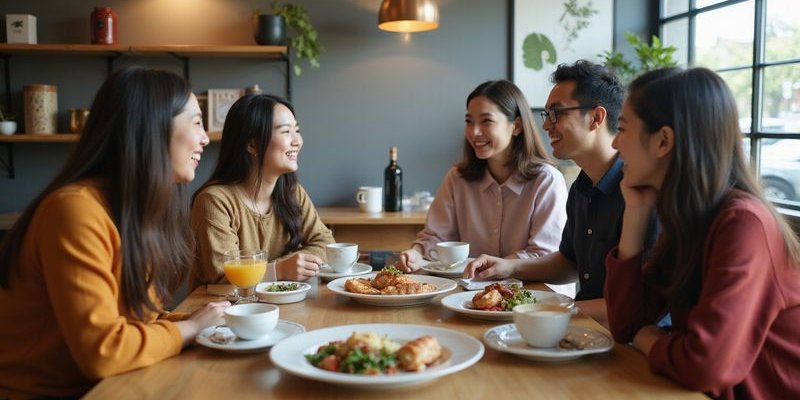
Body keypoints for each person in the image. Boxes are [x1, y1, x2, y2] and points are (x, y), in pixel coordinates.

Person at [0, 67, 229, 398]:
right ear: (152, 128)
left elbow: (138, 320)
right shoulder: (74, 210)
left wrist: (201, 321)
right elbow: (103, 352)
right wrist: (191, 328)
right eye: (196, 122)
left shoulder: (131, 211)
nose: (205, 137)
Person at [606, 67, 800, 398]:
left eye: (622, 128)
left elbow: (706, 366)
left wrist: (650, 339)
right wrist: (635, 215)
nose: (614, 142)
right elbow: (626, 324)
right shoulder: (691, 217)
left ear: (663, 140)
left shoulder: (743, 223)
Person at [463, 61, 656, 324]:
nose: (546, 126)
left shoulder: (641, 192)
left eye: (557, 114)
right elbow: (570, 262)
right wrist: (509, 266)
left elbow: (646, 304)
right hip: (588, 329)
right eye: (547, 115)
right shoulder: (582, 186)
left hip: (630, 340)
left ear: (596, 118)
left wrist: (554, 311)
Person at [396, 80, 567, 272]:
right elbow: (436, 237)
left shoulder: (547, 181)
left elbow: (545, 255)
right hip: (472, 295)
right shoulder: (456, 179)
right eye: (469, 121)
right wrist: (416, 253)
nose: (474, 132)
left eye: (487, 121)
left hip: (536, 293)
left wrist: (499, 267)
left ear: (517, 126)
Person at [191, 94, 333, 287]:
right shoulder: (214, 201)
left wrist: (296, 264)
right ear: (251, 145)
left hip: (280, 305)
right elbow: (222, 278)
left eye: (296, 130)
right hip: (227, 313)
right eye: (285, 131)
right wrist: (281, 270)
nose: (297, 140)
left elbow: (325, 242)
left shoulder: (292, 192)